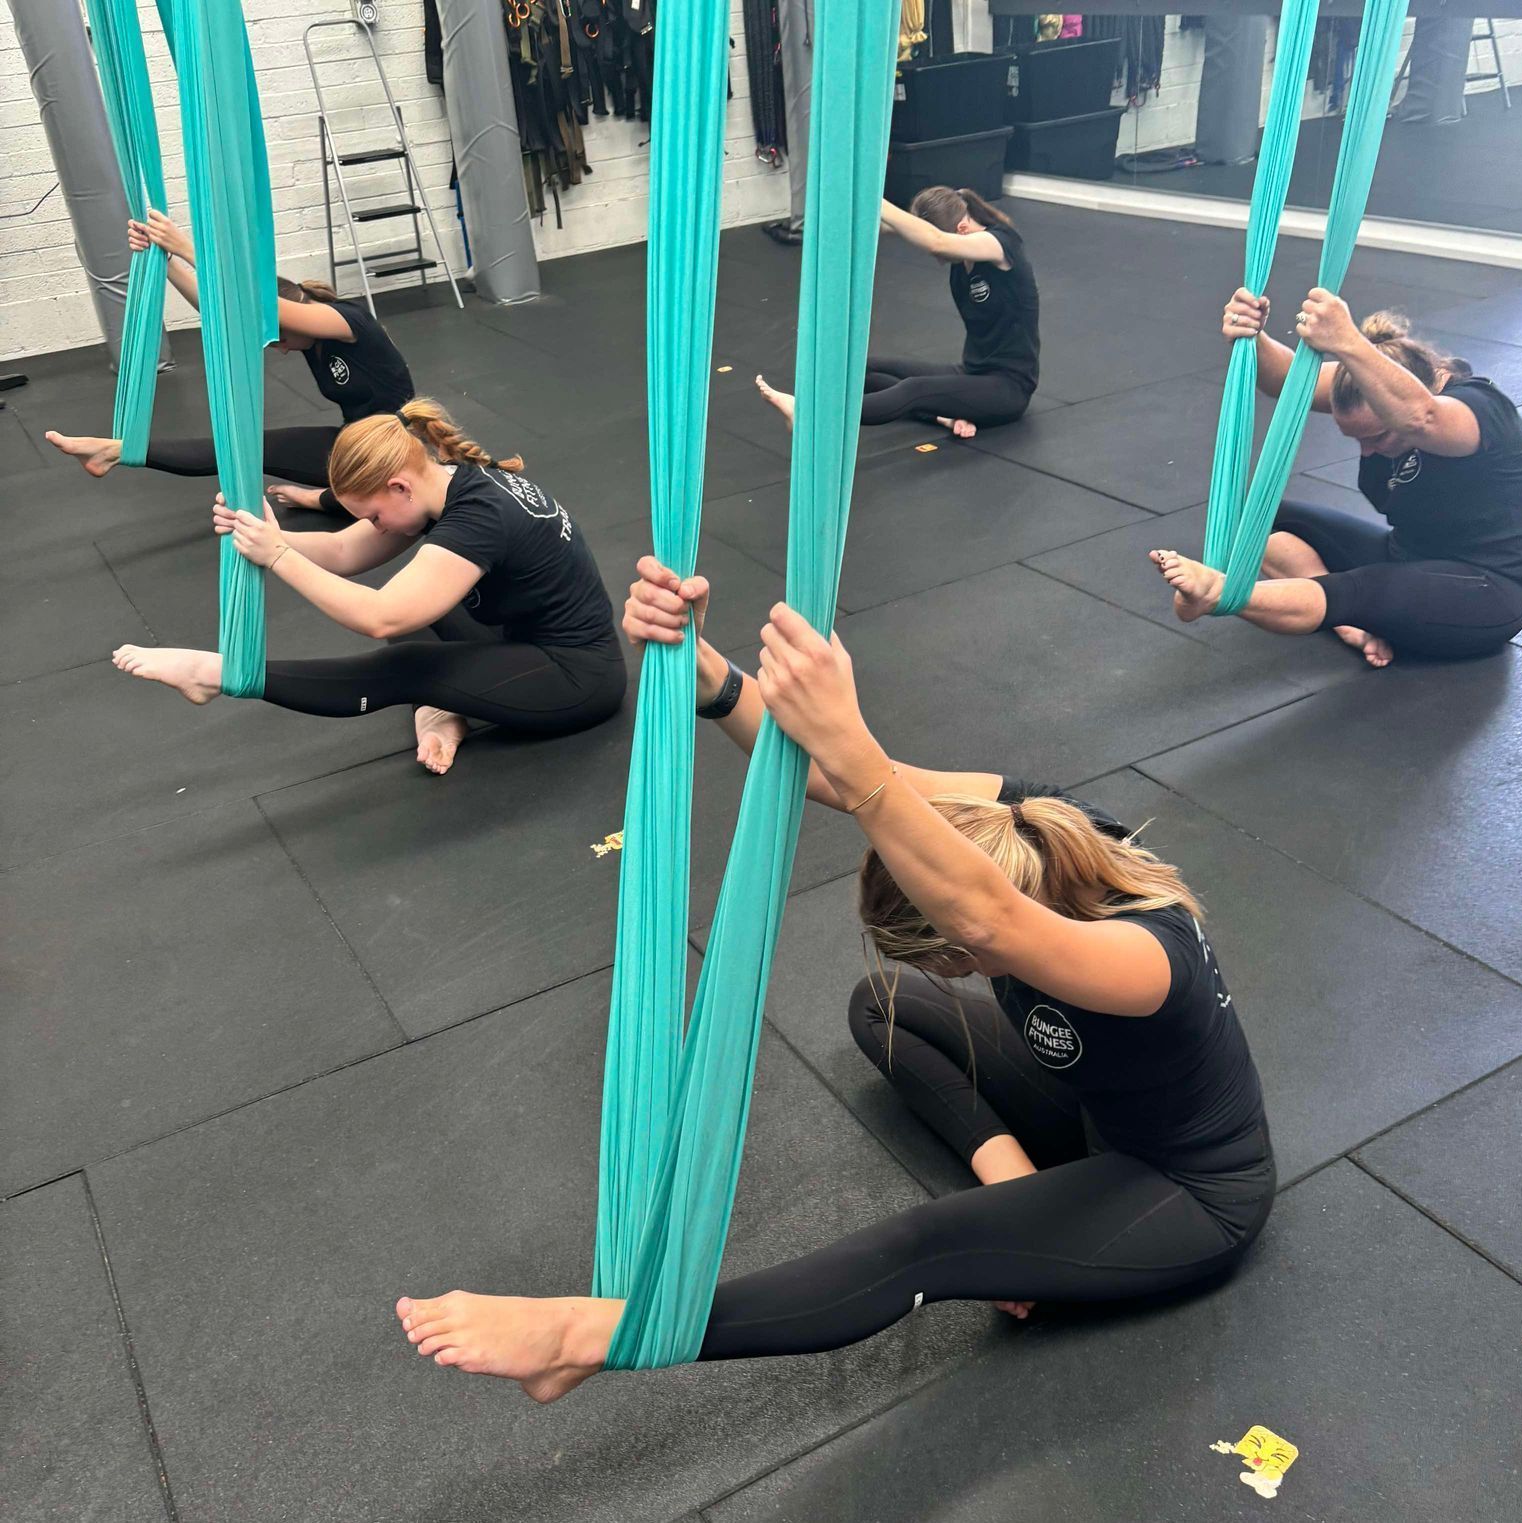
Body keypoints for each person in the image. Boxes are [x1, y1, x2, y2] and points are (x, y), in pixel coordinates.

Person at [391, 557, 1275, 1398]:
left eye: (951, 959)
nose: (953, 964)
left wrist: (851, 737)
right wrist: (716, 683)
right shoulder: (1031, 821)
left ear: (970, 945)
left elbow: (982, 915)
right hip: (1097, 1109)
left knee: (924, 1246)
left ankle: (593, 1334)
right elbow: (855, 783)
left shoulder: (1146, 958)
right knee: (884, 1004)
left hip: (1185, 1192)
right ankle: (1025, 1196)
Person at [111, 400, 626, 775]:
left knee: (403, 658)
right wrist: (269, 535)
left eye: (374, 513)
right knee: (418, 607)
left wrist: (279, 555)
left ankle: (219, 675)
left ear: (399, 485)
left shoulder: (479, 520)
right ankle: (446, 707)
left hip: (576, 679)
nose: (375, 526)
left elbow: (380, 616)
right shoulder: (447, 483)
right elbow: (342, 553)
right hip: (518, 636)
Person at [1152, 289, 1522, 666]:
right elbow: (1285, 381)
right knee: (1252, 517)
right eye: (1357, 441)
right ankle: (1349, 622)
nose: (1367, 452)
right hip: (1403, 556)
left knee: (1364, 589)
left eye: (1378, 437)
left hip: (1487, 591)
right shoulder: (1361, 382)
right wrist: (1253, 334)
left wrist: (1347, 339)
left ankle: (1221, 596)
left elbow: (1421, 417)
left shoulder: (1480, 411)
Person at [46, 209, 415, 515]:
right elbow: (217, 310)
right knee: (244, 447)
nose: (282, 349)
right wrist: (166, 260)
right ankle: (114, 451)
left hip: (397, 451)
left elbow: (257, 305)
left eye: (279, 339)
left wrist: (190, 249)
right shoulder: (309, 341)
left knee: (370, 500)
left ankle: (320, 499)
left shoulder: (348, 322)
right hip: (358, 444)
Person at [755, 188, 1041, 440]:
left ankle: (810, 417)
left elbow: (936, 241)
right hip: (972, 371)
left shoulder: (1001, 244)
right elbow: (891, 229)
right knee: (861, 369)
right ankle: (945, 413)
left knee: (914, 389)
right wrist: (841, 212)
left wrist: (874, 196)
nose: (936, 260)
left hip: (1008, 387)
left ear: (962, 229)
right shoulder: (962, 243)